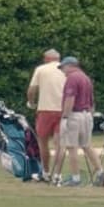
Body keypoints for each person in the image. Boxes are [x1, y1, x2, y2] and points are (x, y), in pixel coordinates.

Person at [57, 56, 104, 186]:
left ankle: (76, 178)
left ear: (70, 65)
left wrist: (65, 117)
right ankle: (101, 173)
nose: (63, 71)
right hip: (87, 114)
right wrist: (91, 115)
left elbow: (70, 99)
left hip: (74, 115)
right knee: (87, 145)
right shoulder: (85, 77)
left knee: (72, 147)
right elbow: (91, 100)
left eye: (63, 67)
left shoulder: (72, 78)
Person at [27, 48, 67, 176]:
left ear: (47, 58)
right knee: (59, 144)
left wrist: (31, 103)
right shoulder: (66, 70)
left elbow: (32, 90)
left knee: (43, 143)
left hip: (45, 109)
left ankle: (45, 172)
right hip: (63, 109)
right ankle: (58, 175)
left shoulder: (40, 69)